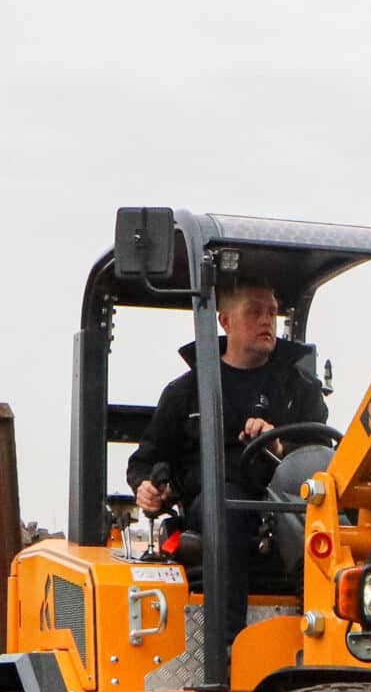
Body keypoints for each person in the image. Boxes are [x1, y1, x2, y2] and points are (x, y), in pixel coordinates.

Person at [125, 276, 327, 643]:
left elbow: (321, 452)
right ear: (225, 321)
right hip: (215, 501)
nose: (268, 321)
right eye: (255, 312)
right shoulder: (186, 393)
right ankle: (229, 644)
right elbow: (146, 459)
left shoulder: (299, 389)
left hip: (287, 497)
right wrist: (146, 488)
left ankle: (330, 625)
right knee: (228, 507)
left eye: (271, 312)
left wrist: (281, 446)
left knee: (341, 512)